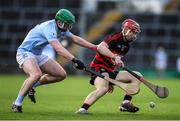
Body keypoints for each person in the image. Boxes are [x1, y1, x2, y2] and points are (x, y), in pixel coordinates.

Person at [12, 9, 97, 113]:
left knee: (61, 75)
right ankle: (17, 103)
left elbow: (75, 39)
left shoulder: (61, 28)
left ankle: (32, 86)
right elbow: (58, 49)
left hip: (37, 54)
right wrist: (75, 60)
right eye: (66, 24)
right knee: (36, 74)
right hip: (25, 52)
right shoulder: (49, 28)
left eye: (69, 25)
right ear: (59, 22)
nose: (67, 28)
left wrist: (94, 47)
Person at [76, 19, 143, 114]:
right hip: (98, 67)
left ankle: (125, 103)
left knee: (137, 76)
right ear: (125, 30)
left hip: (109, 70)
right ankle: (82, 109)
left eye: (136, 33)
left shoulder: (126, 46)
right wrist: (114, 57)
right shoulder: (114, 37)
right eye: (132, 32)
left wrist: (110, 80)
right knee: (103, 88)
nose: (134, 35)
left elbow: (112, 62)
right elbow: (100, 47)